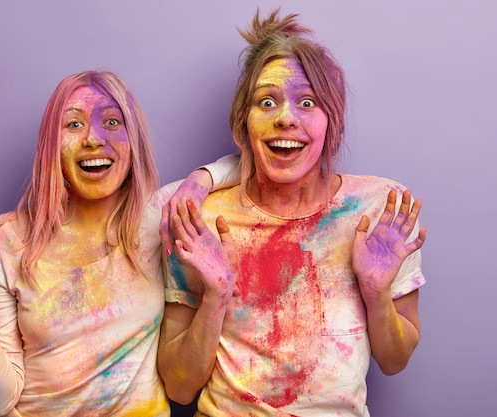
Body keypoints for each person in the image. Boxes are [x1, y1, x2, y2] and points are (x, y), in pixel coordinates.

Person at [0, 70, 238, 417]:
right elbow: (1, 398)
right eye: (74, 125)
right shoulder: (2, 241)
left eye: (111, 122)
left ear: (134, 139)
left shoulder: (160, 218)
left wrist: (199, 180)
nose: (93, 139)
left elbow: (250, 164)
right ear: (52, 143)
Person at [158, 9, 427, 417]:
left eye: (308, 102)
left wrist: (375, 293)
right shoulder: (200, 220)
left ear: (331, 123)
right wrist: (215, 297)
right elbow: (179, 387)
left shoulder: (380, 211)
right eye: (266, 101)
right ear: (242, 123)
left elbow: (395, 361)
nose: (286, 118)